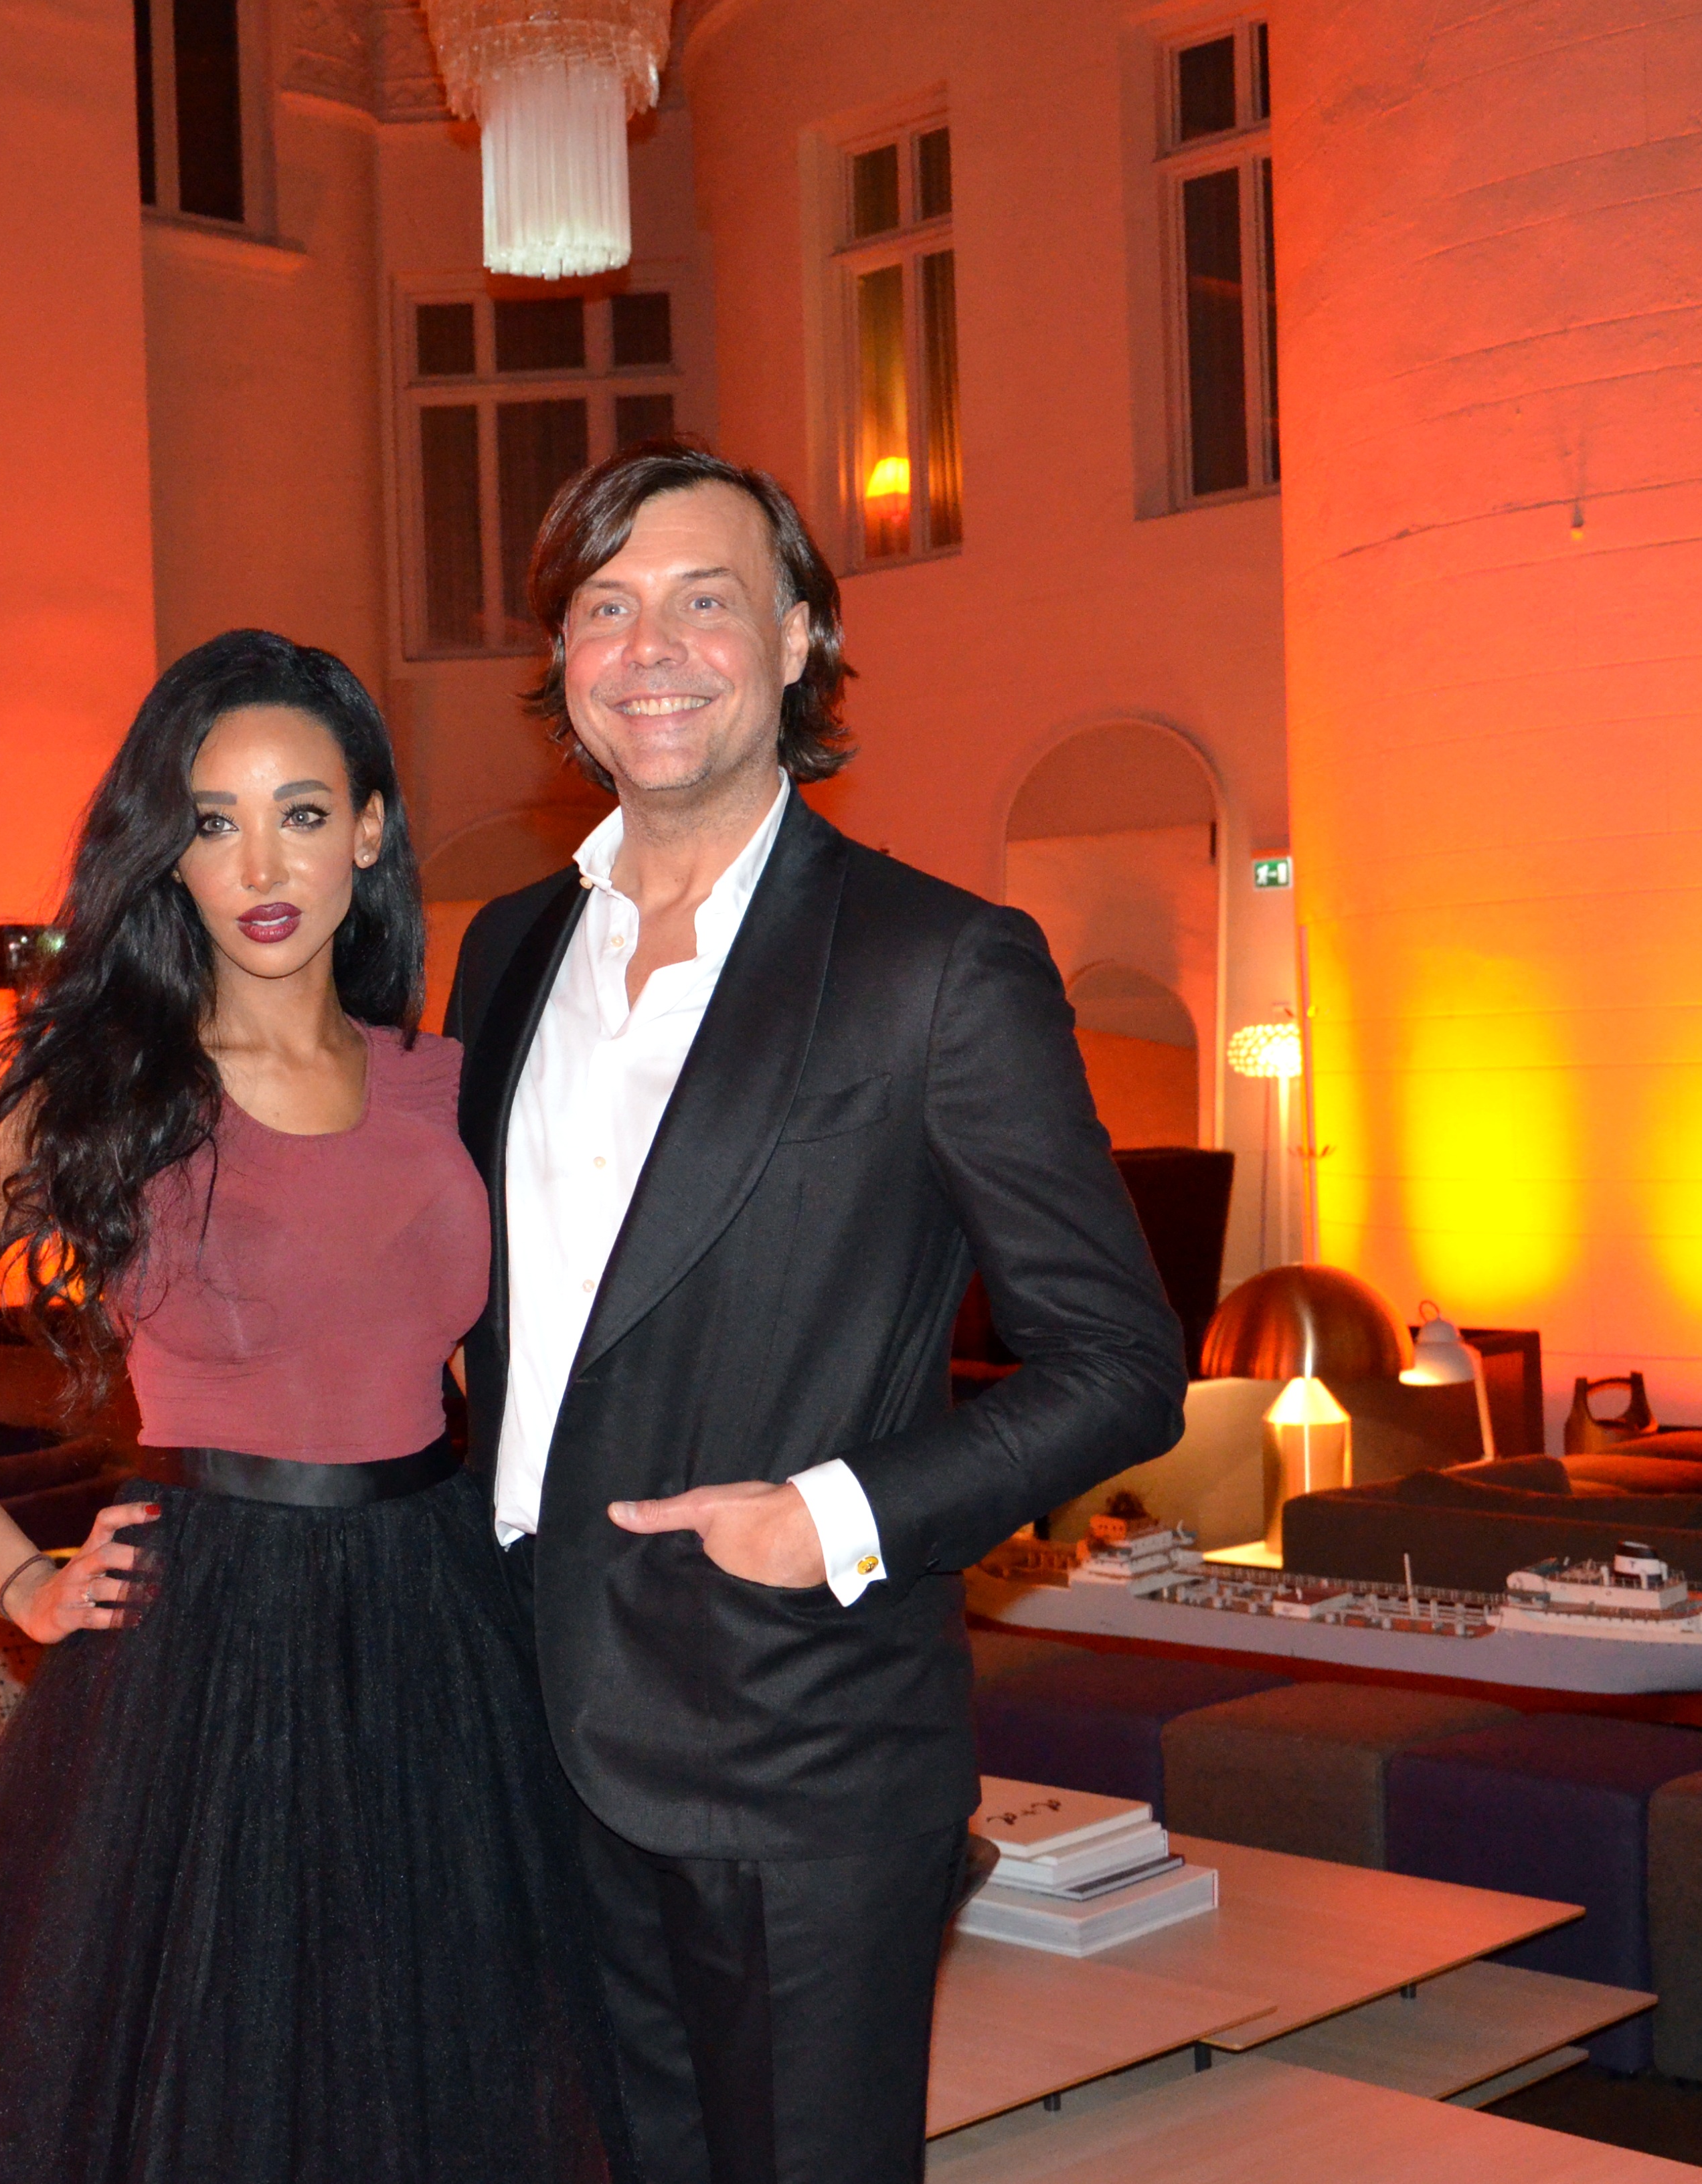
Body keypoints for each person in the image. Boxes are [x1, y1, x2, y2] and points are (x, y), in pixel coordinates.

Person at [445, 443, 1188, 2184]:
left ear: (795, 638)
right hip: (527, 1720)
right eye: (605, 608)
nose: (649, 650)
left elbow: (1120, 1364)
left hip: (794, 1740)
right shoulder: (504, 952)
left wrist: (831, 1519)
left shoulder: (938, 963)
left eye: (704, 601)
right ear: (561, 661)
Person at [0, 629, 618, 2184]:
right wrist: (23, 1581)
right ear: (166, 851)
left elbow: (495, 1363)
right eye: (214, 820)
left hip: (442, 1612)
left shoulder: (445, 1081)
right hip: (214, 1630)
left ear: (367, 832)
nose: (261, 864)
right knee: (228, 2091)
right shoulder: (100, 1090)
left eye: (302, 814)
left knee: (446, 2068)